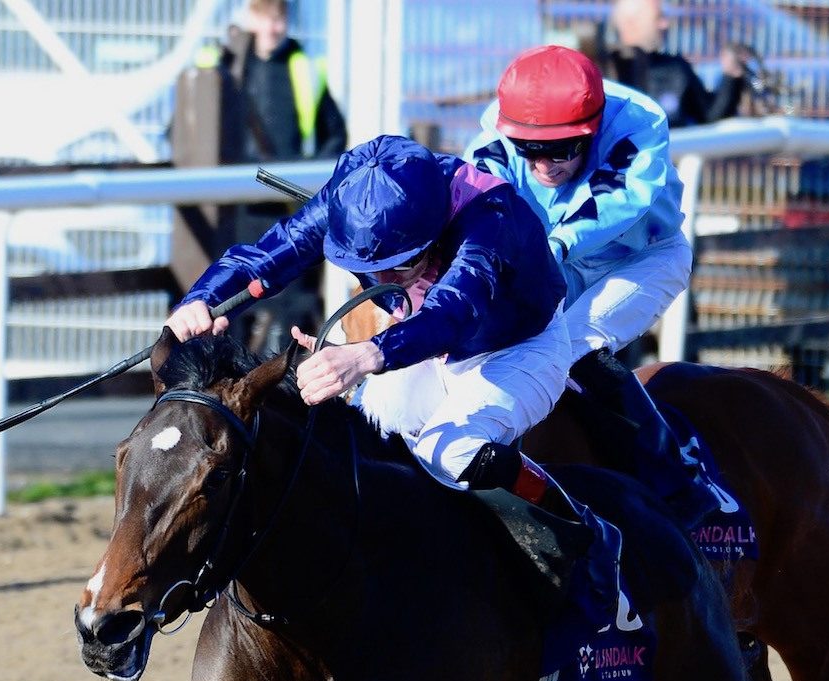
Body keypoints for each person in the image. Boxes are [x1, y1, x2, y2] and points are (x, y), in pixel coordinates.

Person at [164, 134, 621, 624]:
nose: (382, 281)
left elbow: (453, 313)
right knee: (359, 444)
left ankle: (582, 530)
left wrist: (365, 354)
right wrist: (201, 299)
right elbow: (268, 256)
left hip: (520, 347)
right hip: (425, 349)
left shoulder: (490, 215)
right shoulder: (352, 199)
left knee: (450, 452)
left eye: (399, 265)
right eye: (366, 268)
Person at [467, 45, 721, 528]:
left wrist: (550, 246)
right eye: (529, 150)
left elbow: (614, 203)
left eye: (561, 149)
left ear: (591, 129)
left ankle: (677, 483)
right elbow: (474, 203)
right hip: (557, 264)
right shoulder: (494, 136)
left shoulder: (639, 125)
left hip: (641, 259)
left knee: (575, 345)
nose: (544, 165)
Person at [194, 0, 348, 354]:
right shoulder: (219, 64)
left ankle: (283, 375)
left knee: (290, 304)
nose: (273, 28)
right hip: (234, 210)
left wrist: (310, 184)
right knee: (231, 303)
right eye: (265, 18)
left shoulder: (303, 67)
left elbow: (334, 135)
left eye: (279, 18)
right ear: (248, 17)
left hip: (286, 207)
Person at [602, 0, 749, 129]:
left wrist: (731, 77)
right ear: (631, 23)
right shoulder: (606, 72)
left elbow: (710, 116)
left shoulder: (676, 68)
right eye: (658, 17)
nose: (665, 24)